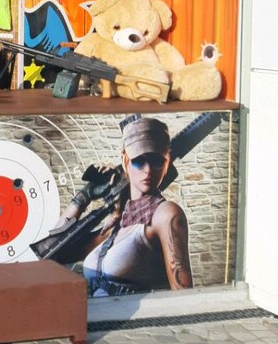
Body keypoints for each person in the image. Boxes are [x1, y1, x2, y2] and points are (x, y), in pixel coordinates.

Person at [61, 116, 193, 297]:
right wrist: (84, 196)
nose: (148, 170)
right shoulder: (119, 221)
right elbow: (56, 253)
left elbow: (184, 297)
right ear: (125, 161)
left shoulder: (166, 214)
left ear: (167, 162)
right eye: (139, 160)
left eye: (157, 161)